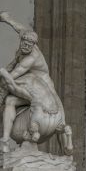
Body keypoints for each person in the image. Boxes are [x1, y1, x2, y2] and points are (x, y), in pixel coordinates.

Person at [0, 12, 72, 153]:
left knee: (60, 120)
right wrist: (8, 19)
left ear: (33, 45)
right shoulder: (25, 40)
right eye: (24, 43)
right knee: (10, 101)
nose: (26, 46)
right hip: (27, 84)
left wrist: (3, 75)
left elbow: (12, 76)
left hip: (42, 89)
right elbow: (20, 29)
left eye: (29, 45)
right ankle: (5, 140)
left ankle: (65, 150)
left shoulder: (31, 58)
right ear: (21, 40)